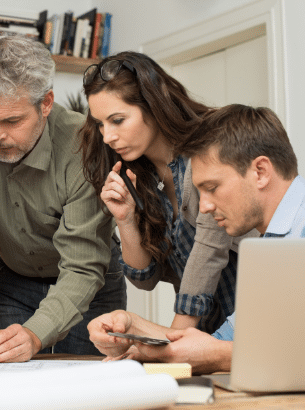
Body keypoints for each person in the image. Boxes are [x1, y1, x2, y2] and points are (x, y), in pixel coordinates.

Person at [0, 34, 126, 363]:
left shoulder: (85, 142)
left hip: (90, 284)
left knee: (86, 391)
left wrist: (37, 332)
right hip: (11, 277)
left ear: (46, 103)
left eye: (12, 121)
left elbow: (83, 265)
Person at [88, 104, 303, 374]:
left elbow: (219, 352)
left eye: (212, 188)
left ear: (260, 171)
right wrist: (133, 328)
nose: (204, 207)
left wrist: (219, 356)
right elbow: (223, 343)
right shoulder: (271, 248)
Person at [80, 51, 257, 336]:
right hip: (206, 331)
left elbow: (209, 253)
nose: (107, 136)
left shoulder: (207, 151)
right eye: (100, 124)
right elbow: (145, 278)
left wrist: (172, 345)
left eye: (117, 120)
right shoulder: (140, 175)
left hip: (255, 318)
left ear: (152, 105)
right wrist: (125, 220)